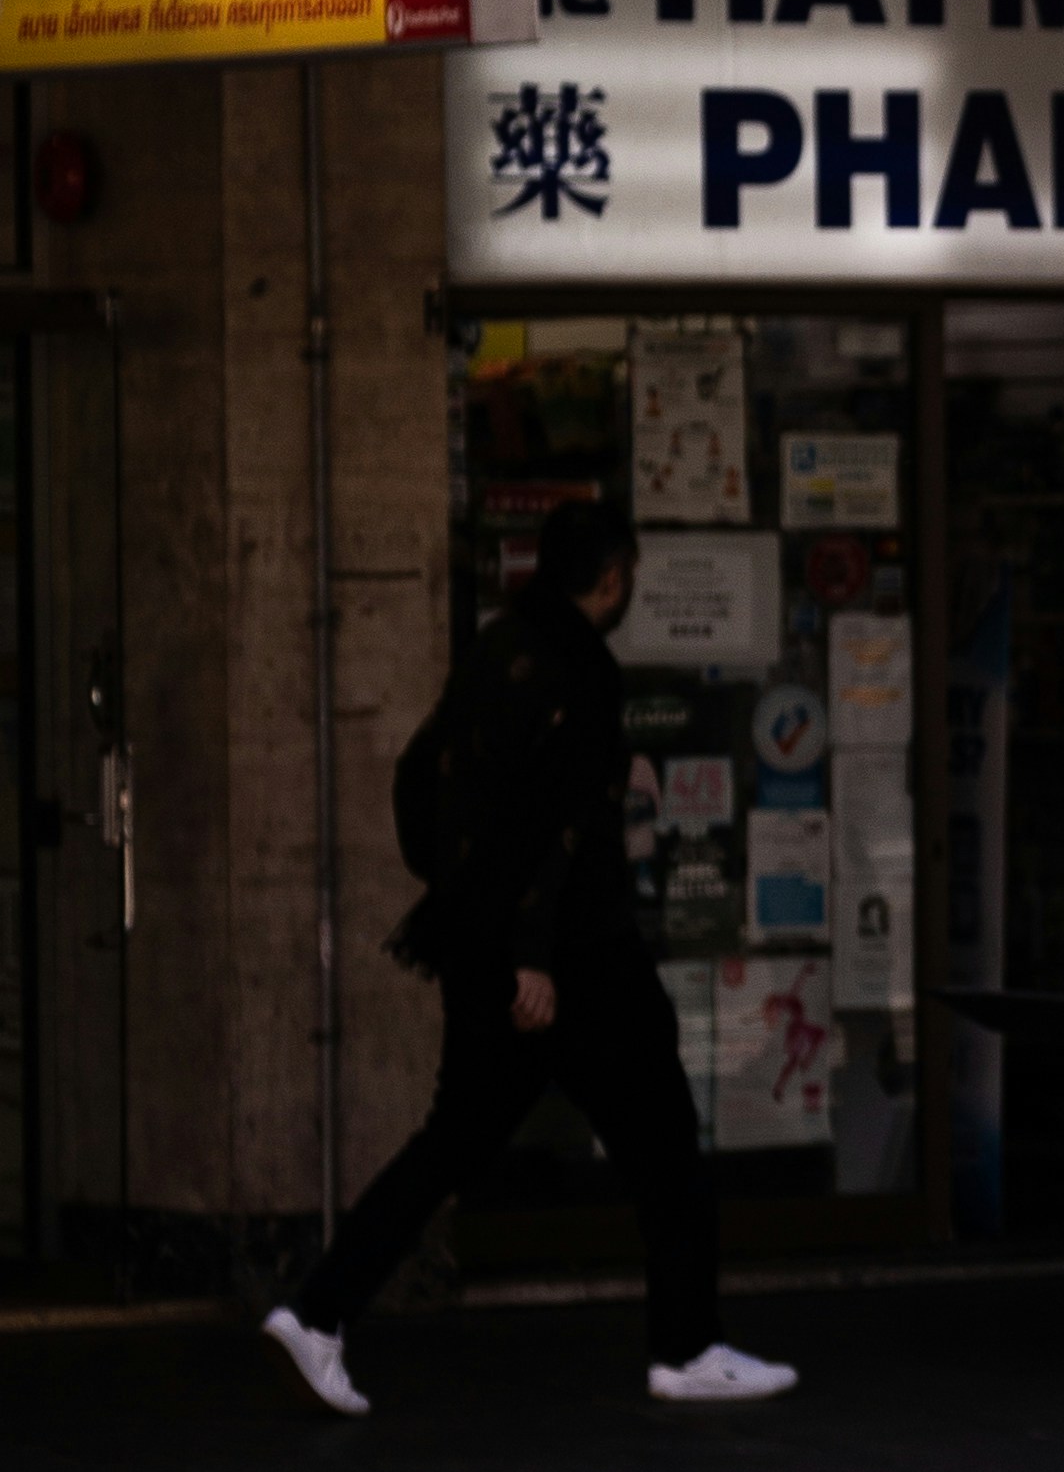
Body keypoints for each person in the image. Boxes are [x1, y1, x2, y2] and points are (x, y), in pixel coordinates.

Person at [261, 501, 798, 1421]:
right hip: (571, 957)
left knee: (454, 1141)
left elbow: (419, 776)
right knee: (665, 1141)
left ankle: (319, 1312)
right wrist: (533, 957)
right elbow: (565, 830)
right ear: (611, 579)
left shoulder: (496, 646)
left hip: (479, 942)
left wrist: (475, 913)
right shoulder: (580, 669)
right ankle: (687, 1345)